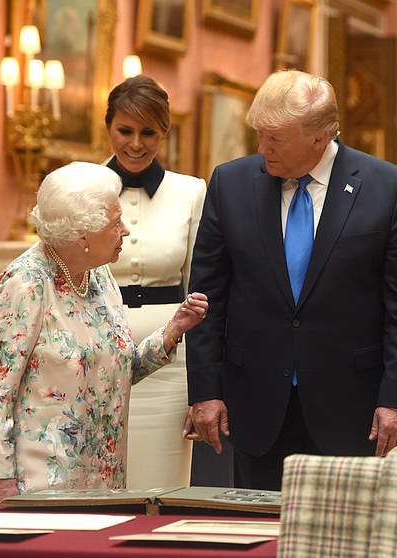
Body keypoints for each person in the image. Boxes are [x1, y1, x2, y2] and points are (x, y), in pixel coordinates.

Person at [185, 69, 397, 491]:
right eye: (259, 134)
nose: (262, 148)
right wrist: (205, 390)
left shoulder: (385, 187)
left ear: (321, 136)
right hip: (255, 404)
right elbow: (207, 298)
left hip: (351, 407)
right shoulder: (231, 183)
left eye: (275, 138)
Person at [0, 162, 208, 507]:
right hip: (40, 485)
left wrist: (172, 331)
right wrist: (1, 482)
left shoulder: (99, 277)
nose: (126, 231)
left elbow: (119, 370)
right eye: (116, 223)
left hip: (104, 479)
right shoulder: (25, 283)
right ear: (82, 234)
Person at [103, 75, 230, 489]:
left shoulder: (191, 191)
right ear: (108, 128)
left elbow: (203, 290)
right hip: (96, 356)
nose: (135, 144)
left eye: (148, 132)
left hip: (170, 361)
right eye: (125, 130)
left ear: (165, 133)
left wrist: (205, 386)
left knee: (159, 489)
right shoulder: (82, 185)